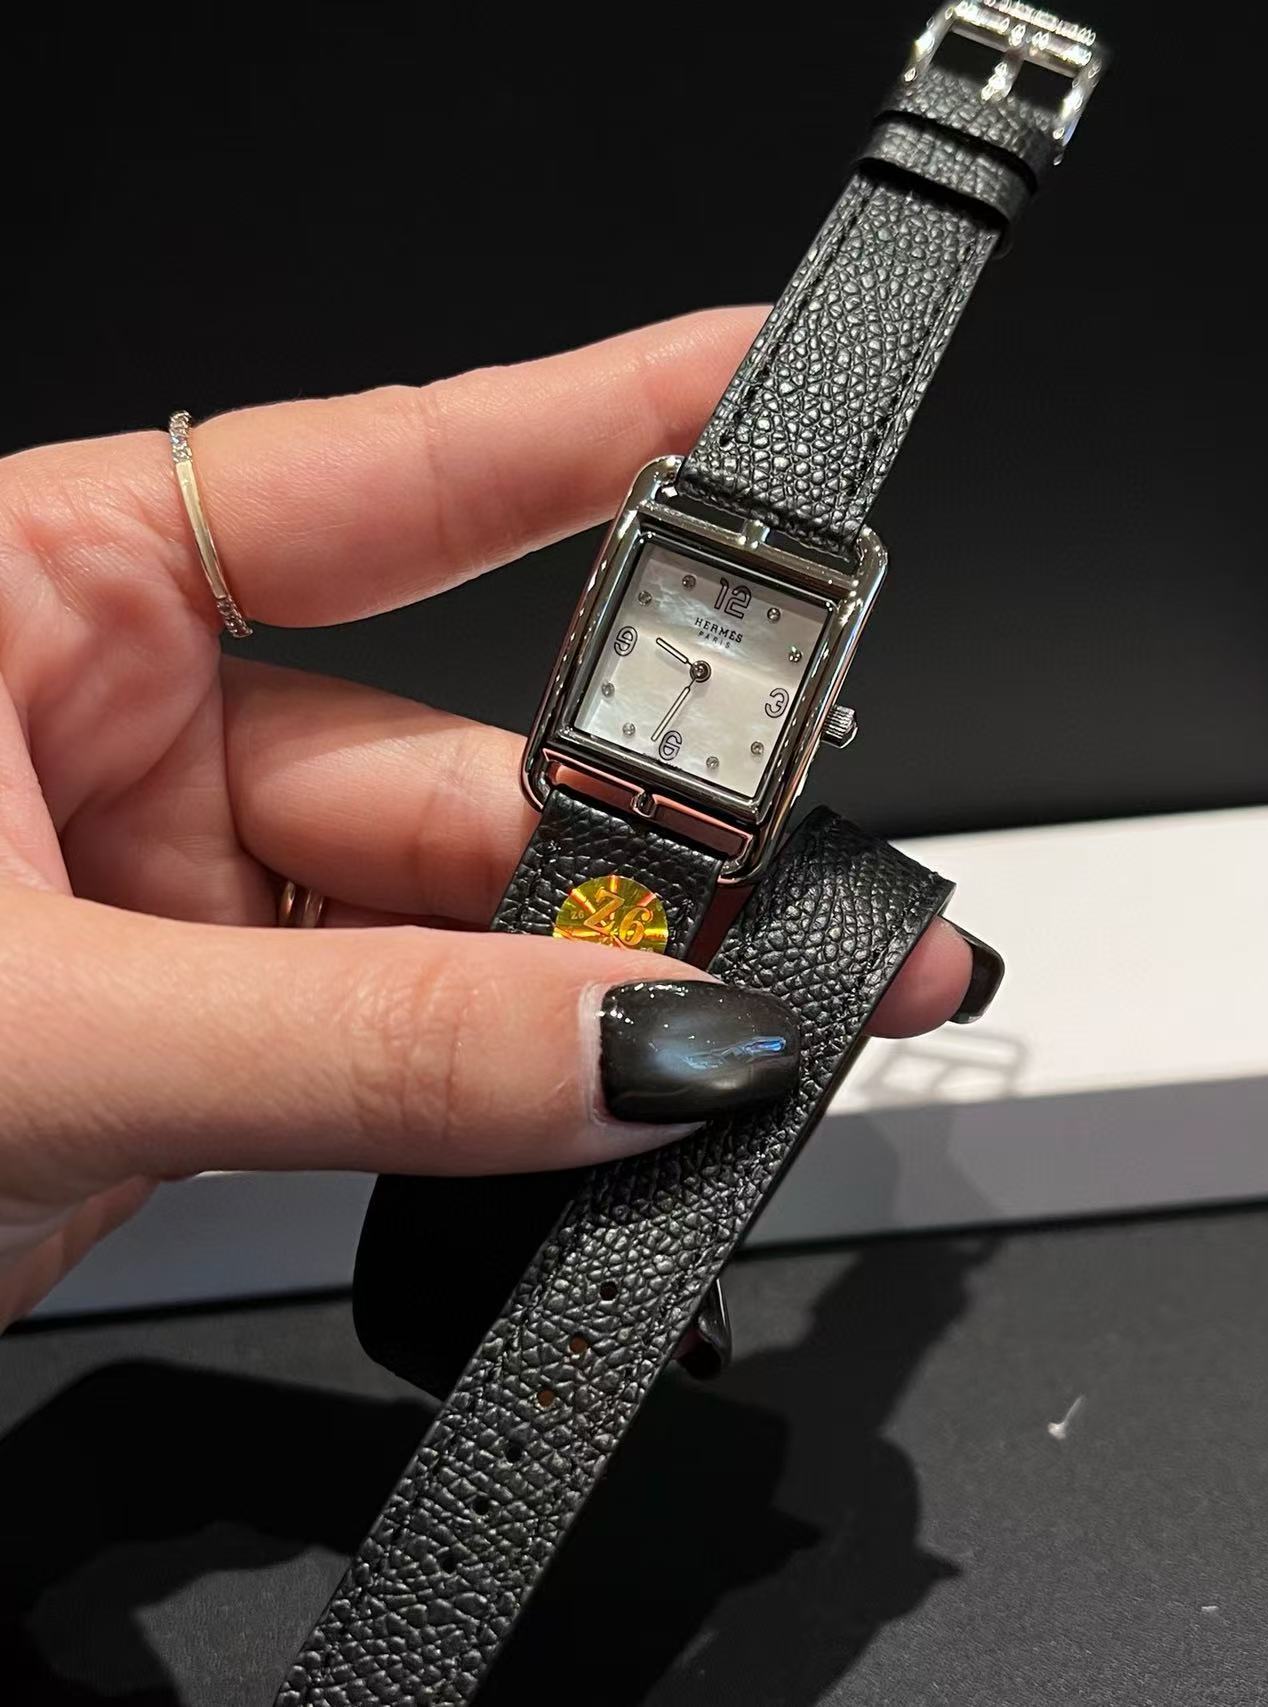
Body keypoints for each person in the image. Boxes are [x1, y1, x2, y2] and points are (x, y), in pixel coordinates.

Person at [0, 308, 1000, 1330]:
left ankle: (476, 1301)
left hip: (648, 804)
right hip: (604, 785)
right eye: (687, 655)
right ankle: (470, 1302)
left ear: (813, 717)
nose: (701, 670)